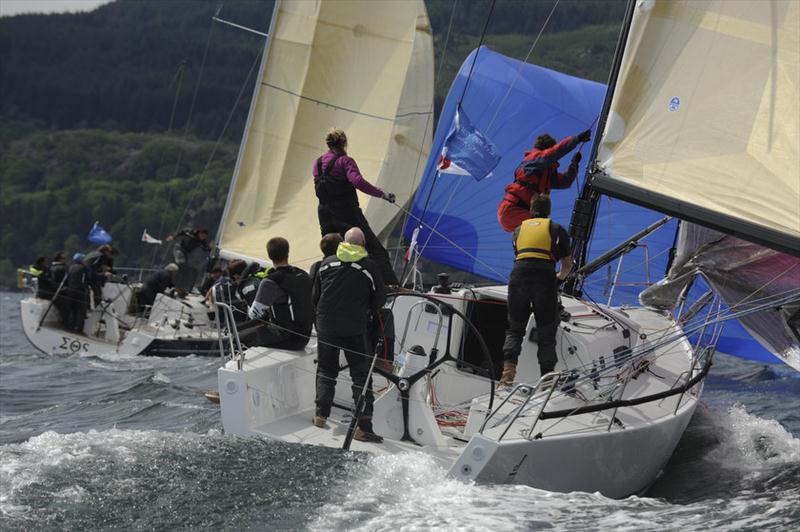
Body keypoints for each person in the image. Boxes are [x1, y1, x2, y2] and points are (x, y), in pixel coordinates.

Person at [312, 227, 386, 443]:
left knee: (326, 369)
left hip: (325, 324)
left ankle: (321, 415)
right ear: (362, 244)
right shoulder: (369, 266)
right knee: (361, 375)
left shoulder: (326, 263)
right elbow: (380, 298)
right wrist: (367, 309)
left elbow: (315, 296)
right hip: (353, 327)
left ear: (344, 242)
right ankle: (364, 428)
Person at [500, 195, 573, 386]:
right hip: (545, 279)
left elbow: (522, 256)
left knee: (514, 330)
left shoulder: (518, 230)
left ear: (531, 210)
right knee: (546, 333)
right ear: (548, 211)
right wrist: (559, 280)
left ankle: (507, 376)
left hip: (518, 277)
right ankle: (547, 382)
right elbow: (567, 264)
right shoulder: (557, 229)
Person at [313, 127, 399, 286]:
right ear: (344, 143)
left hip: (325, 215)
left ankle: (329, 286)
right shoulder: (345, 161)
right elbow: (357, 182)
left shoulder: (317, 163)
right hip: (347, 214)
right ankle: (391, 287)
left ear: (328, 143)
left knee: (332, 254)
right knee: (376, 251)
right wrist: (382, 194)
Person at [497, 129, 591, 233]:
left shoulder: (545, 173)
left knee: (546, 233)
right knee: (547, 231)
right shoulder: (533, 159)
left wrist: (574, 165)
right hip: (512, 210)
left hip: (520, 213)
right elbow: (553, 153)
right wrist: (576, 139)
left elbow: (565, 182)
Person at [239, 237, 313, 350]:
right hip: (305, 336)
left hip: (287, 337)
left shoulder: (271, 281)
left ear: (269, 256)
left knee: (238, 338)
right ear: (288, 253)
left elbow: (254, 314)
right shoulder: (303, 274)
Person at [62, 256, 90, 333]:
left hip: (70, 291)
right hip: (80, 292)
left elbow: (66, 279)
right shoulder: (83, 268)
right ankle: (79, 328)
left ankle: (70, 326)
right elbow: (87, 279)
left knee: (71, 310)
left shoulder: (70, 267)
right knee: (80, 311)